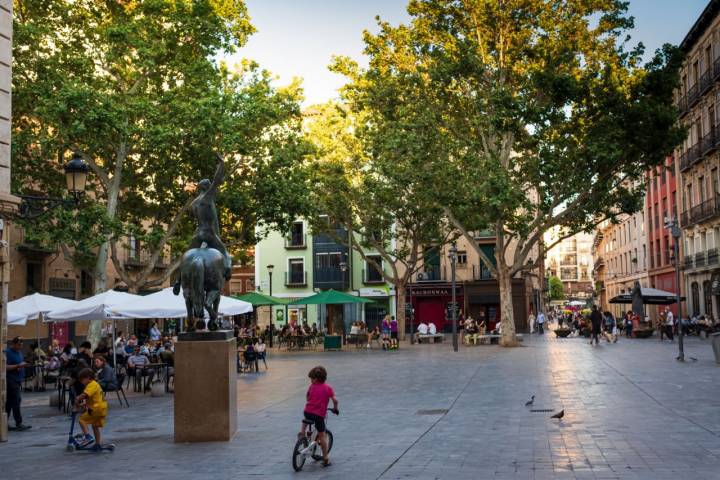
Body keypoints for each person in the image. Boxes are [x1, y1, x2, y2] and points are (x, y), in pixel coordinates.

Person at [299, 366, 339, 468]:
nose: (310, 381)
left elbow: (308, 398)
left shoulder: (311, 387)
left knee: (306, 418)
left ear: (316, 379)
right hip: (319, 415)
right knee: (322, 436)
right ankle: (325, 459)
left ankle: (302, 433)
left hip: (307, 412)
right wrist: (335, 408)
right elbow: (335, 400)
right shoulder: (328, 388)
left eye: (311, 379)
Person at [74, 368, 109, 449]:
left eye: (82, 379)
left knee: (81, 420)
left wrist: (77, 399)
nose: (81, 382)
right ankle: (97, 444)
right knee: (95, 425)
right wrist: (82, 404)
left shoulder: (91, 384)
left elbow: (85, 395)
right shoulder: (95, 384)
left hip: (96, 408)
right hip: (101, 408)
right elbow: (92, 398)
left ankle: (88, 437)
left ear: (88, 378)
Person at [4, 337, 31, 431]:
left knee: (9, 403)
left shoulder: (19, 352)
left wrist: (22, 365)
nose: (21, 346)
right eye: (19, 345)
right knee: (16, 400)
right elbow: (4, 367)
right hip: (11, 380)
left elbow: (18, 364)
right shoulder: (7, 352)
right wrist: (18, 366)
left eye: (22, 345)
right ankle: (18, 423)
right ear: (13, 344)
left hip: (17, 380)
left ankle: (4, 423)